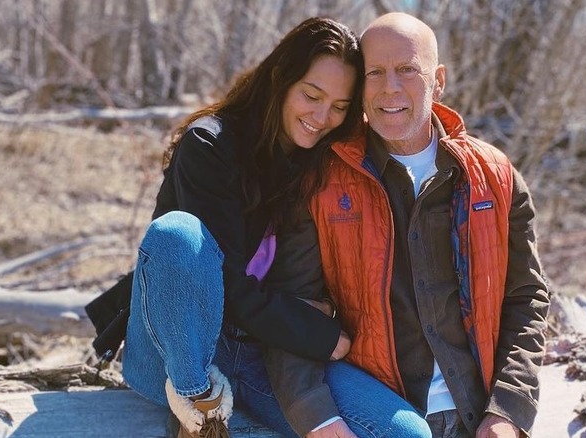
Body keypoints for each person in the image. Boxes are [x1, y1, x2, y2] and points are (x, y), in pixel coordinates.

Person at [264, 12, 550, 438]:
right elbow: (295, 307)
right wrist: (317, 417)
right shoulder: (321, 180)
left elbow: (526, 298)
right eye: (374, 72)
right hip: (378, 415)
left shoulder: (496, 176)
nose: (389, 88)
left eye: (406, 70)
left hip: (479, 415)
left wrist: (509, 409)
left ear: (438, 80)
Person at [103, 17, 364, 438]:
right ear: (281, 79)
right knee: (178, 235)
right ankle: (199, 409)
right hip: (178, 352)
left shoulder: (317, 163)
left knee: (402, 430)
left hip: (259, 354)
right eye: (311, 95)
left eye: (339, 107)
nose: (322, 116)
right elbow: (227, 284)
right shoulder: (210, 146)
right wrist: (319, 330)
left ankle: (229, 420)